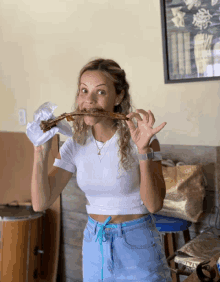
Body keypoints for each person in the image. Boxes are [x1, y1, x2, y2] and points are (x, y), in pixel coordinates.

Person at [31, 58, 172, 282]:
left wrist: (144, 150)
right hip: (95, 243)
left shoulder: (144, 140)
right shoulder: (74, 144)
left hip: (137, 244)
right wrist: (40, 151)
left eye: (101, 92)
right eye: (83, 91)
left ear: (119, 96)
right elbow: (40, 202)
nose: (88, 100)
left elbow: (154, 205)